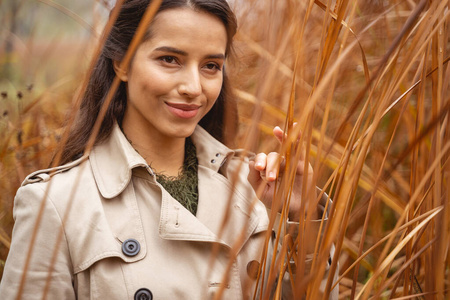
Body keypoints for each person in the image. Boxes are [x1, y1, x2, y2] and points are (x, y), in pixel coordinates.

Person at [0, 0, 338, 299]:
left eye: (211, 66)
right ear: (122, 63)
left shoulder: (253, 186)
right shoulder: (56, 204)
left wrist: (301, 216)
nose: (193, 88)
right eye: (169, 59)